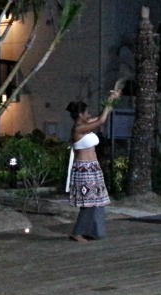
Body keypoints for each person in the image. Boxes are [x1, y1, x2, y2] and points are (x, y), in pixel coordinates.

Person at [65, 90, 121, 242]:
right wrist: (110, 101)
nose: (89, 114)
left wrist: (111, 99)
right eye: (87, 112)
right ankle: (77, 232)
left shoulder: (85, 125)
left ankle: (92, 231)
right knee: (89, 202)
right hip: (84, 170)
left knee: (97, 202)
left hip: (93, 169)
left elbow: (103, 116)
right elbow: (101, 121)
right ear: (80, 115)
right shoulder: (78, 129)